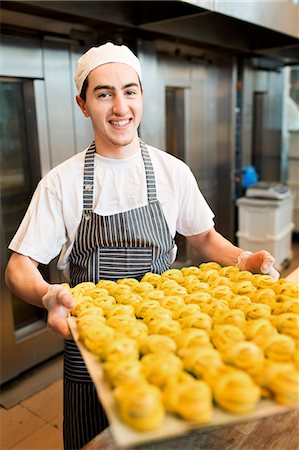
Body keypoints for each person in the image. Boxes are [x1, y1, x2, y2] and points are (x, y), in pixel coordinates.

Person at [5, 42, 279, 449]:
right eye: (104, 94)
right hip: (94, 351)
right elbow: (18, 267)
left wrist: (243, 258)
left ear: (141, 97)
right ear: (82, 104)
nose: (120, 107)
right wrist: (47, 295)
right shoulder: (61, 183)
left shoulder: (173, 172)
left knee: (167, 437)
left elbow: (202, 236)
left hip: (167, 340)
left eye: (129, 91)